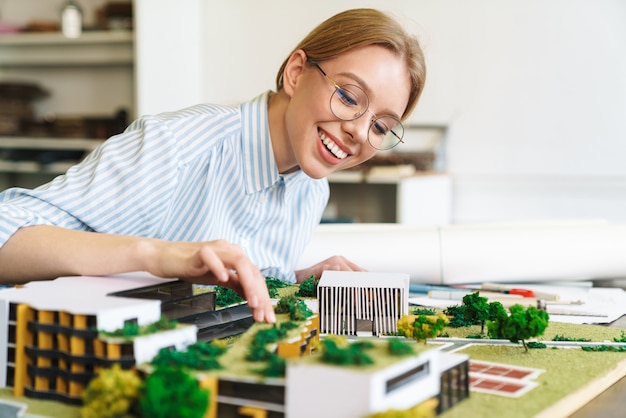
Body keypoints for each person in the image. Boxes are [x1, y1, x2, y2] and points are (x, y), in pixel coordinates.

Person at [0, 8, 426, 323]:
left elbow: (223, 280)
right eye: (349, 97)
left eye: (382, 125)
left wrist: (294, 279)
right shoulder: (180, 146)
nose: (358, 131)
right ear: (297, 72)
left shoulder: (312, 187)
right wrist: (156, 254)